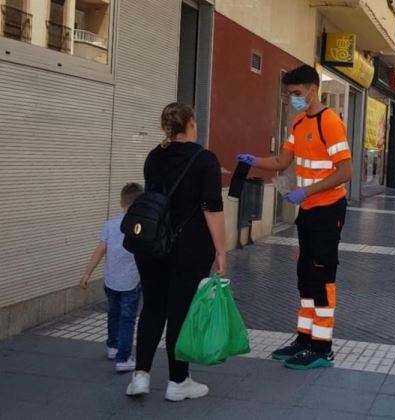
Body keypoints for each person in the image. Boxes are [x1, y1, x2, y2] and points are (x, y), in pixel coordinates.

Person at [237, 65, 352, 370]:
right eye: (290, 95)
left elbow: (346, 171)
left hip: (328, 208)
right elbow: (281, 161)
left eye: (297, 94)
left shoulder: (330, 122)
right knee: (305, 275)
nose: (293, 100)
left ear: (313, 90)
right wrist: (254, 161)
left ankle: (322, 347)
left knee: (322, 276)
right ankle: (304, 338)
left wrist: (309, 190)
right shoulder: (299, 123)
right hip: (309, 211)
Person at [126, 103, 227, 401]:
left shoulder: (154, 156)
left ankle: (140, 376)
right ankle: (178, 381)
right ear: (191, 124)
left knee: (153, 308)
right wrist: (221, 251)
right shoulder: (205, 159)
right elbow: (212, 209)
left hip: (151, 244)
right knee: (179, 312)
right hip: (190, 247)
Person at [80, 183, 144, 372]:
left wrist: (86, 274)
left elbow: (100, 251)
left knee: (113, 314)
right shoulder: (140, 227)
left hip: (110, 281)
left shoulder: (110, 224)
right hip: (131, 282)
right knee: (127, 319)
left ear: (121, 202)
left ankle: (112, 347)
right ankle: (123, 358)